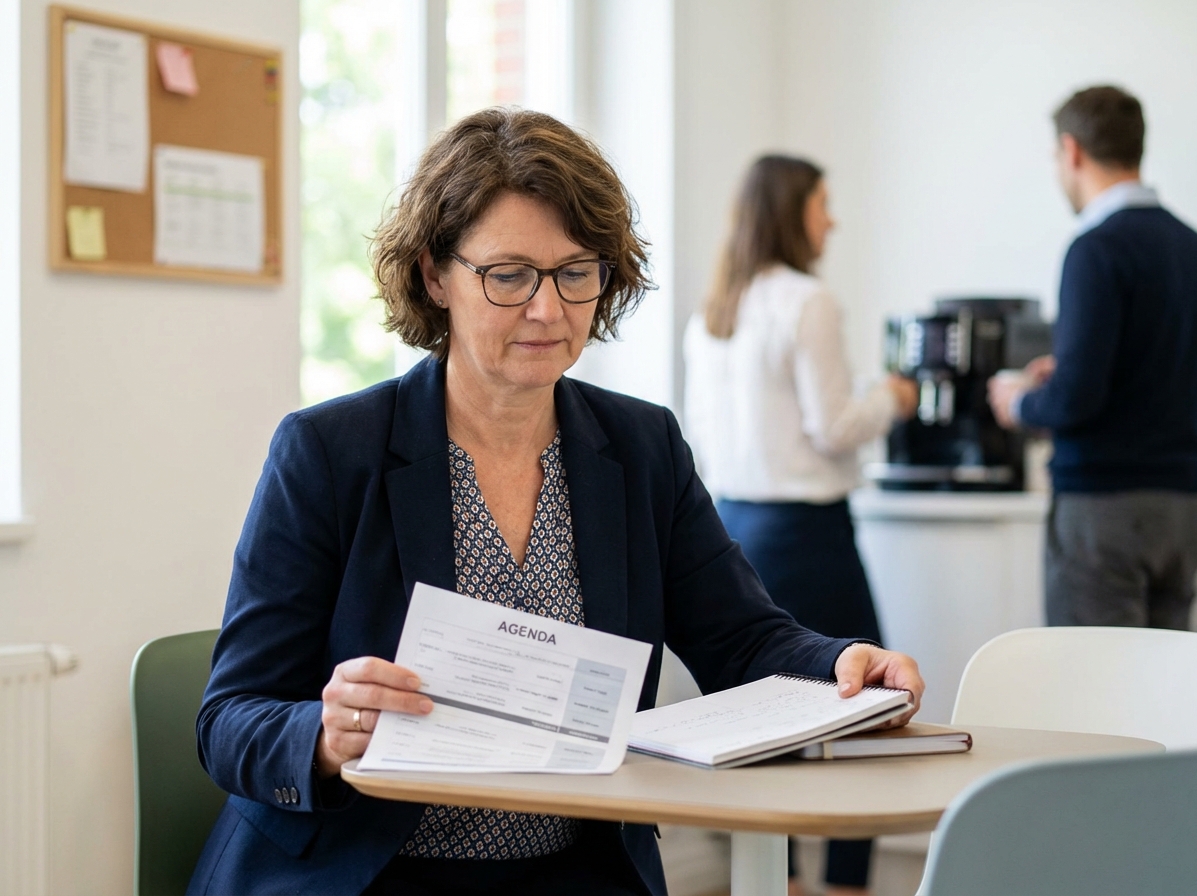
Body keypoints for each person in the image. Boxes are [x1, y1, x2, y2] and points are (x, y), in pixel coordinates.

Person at [186, 110, 924, 896]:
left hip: (573, 869)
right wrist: (323, 735)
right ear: (437, 276)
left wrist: (839, 663)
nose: (549, 309)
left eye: (576, 272)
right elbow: (229, 717)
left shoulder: (640, 449)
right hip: (367, 869)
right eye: (509, 275)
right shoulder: (330, 452)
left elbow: (740, 638)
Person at [683, 155, 918, 896]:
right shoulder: (809, 302)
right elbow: (834, 425)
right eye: (823, 204)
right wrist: (892, 396)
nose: (832, 219)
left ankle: (775, 882)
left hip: (732, 528)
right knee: (871, 706)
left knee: (763, 721)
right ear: (793, 211)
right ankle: (848, 885)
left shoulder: (712, 312)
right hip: (810, 534)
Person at [988, 85, 1197, 630]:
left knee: (1092, 693)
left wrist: (1021, 401)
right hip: (1183, 506)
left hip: (1105, 508)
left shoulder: (1095, 248)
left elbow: (1077, 398)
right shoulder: (1190, 246)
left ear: (1073, 150)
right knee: (1166, 693)